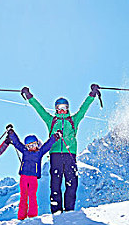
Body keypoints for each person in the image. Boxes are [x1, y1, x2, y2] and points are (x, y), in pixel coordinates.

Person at [21, 84, 100, 214]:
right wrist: (29, 96)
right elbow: (39, 109)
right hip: (55, 155)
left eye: (64, 108)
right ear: (56, 109)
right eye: (59, 108)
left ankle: (69, 210)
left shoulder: (73, 120)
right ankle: (56, 210)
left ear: (67, 108)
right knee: (56, 183)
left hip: (70, 155)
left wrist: (92, 94)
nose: (62, 110)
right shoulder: (51, 120)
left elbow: (83, 109)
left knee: (72, 183)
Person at [8, 127, 62, 220]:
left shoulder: (40, 152)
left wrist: (55, 136)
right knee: (23, 196)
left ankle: (32, 215)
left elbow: (48, 144)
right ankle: (21, 217)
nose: (31, 147)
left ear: (37, 144)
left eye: (33, 144)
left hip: (33, 178)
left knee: (32, 195)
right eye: (29, 146)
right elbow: (17, 143)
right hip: (24, 177)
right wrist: (11, 133)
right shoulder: (24, 151)